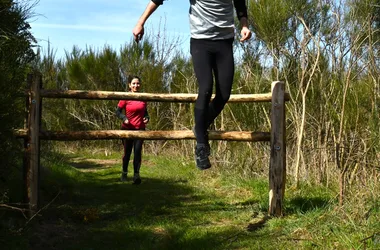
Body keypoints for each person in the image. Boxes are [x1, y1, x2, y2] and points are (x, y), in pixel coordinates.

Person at [132, 0, 252, 170]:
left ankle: (199, 126)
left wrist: (244, 25)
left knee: (224, 94)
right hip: (201, 42)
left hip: (225, 42)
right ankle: (201, 146)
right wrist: (140, 22)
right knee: (205, 88)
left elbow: (240, 5)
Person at [115, 76, 150, 184]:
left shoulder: (143, 97)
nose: (136, 85)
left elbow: (145, 112)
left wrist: (147, 118)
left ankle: (136, 175)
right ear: (129, 85)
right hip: (127, 129)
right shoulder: (125, 97)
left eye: (138, 83)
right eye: (133, 83)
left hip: (140, 129)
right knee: (127, 152)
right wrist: (124, 118)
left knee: (138, 152)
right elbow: (118, 112)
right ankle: (124, 173)